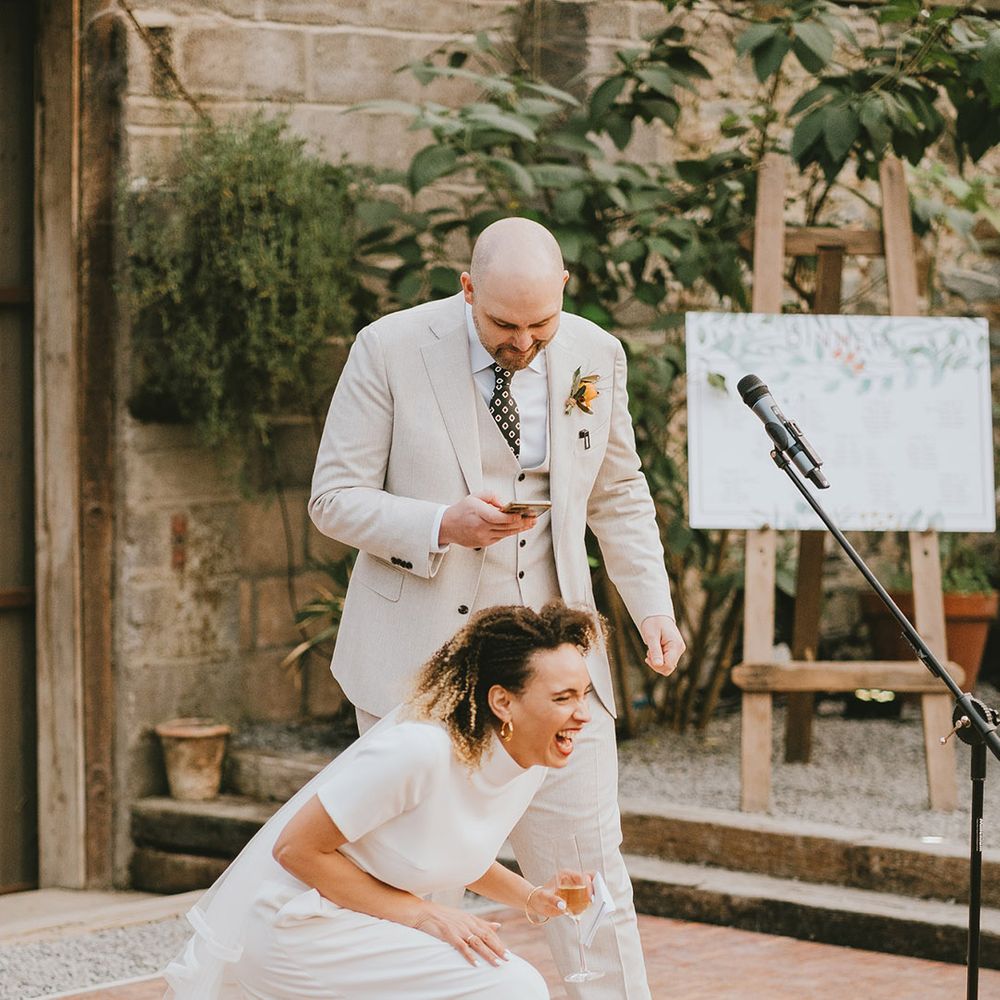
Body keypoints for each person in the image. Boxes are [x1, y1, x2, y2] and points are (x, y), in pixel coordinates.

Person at [309, 216, 685, 998]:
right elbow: (333, 500)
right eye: (504, 325)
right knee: (419, 890)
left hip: (557, 674)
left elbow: (618, 492)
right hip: (418, 671)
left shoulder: (593, 352)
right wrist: (439, 523)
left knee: (590, 880)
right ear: (467, 288)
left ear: (564, 296)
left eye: (540, 324)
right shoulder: (389, 348)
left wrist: (652, 605)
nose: (523, 343)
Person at [164, 601, 601, 999]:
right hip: (302, 928)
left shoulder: (528, 759)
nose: (582, 714)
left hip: (372, 924)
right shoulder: (418, 751)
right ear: (503, 702)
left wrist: (530, 897)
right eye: (563, 698)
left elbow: (447, 845)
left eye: (584, 694)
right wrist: (422, 914)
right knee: (513, 987)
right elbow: (293, 849)